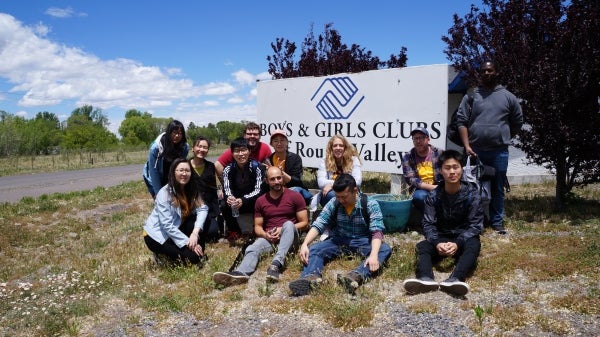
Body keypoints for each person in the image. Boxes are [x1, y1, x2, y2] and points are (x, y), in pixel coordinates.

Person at [288, 173, 392, 296]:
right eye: (338, 197)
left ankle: (355, 276)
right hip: (338, 240)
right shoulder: (334, 202)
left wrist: (374, 254)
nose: (341, 200)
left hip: (363, 241)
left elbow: (377, 231)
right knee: (315, 249)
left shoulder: (370, 204)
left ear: (354, 191)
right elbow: (320, 223)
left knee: (383, 249)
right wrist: (305, 243)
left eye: (344, 197)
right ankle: (311, 278)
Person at [402, 150, 483, 297]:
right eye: (447, 168)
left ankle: (456, 278)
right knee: (422, 246)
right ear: (440, 171)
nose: (452, 172)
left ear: (461, 169)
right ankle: (425, 278)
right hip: (441, 236)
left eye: (455, 167)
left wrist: (458, 242)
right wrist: (437, 242)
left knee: (474, 245)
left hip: (463, 238)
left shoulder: (472, 194)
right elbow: (428, 224)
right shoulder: (433, 196)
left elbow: (475, 225)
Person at [212, 166, 309, 286]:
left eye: (279, 178)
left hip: (289, 237)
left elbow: (304, 223)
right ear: (266, 181)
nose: (277, 181)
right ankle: (240, 273)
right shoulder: (261, 201)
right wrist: (265, 234)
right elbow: (257, 226)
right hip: (270, 238)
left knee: (288, 224)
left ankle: (276, 265)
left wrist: (282, 229)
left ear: (283, 178)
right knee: (252, 248)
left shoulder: (295, 196)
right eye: (272, 179)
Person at [456, 60, 523, 234]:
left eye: (490, 70)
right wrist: (467, 145)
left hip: (499, 152)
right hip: (475, 150)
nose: (487, 73)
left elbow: (517, 122)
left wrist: (503, 135)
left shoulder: (508, 97)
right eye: (484, 71)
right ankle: (475, 220)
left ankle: (497, 221)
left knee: (497, 187)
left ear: (497, 72)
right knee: (472, 187)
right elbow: (461, 121)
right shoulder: (472, 95)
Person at [143, 158, 209, 265]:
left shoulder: (191, 188)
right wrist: (188, 242)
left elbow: (203, 208)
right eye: (180, 170)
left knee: (200, 222)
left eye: (187, 171)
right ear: (174, 172)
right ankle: (160, 254)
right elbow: (167, 225)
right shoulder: (164, 193)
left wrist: (195, 233)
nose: (184, 173)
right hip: (157, 236)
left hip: (176, 228)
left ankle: (195, 248)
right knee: (194, 258)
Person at [221, 137, 266, 240]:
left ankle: (257, 229)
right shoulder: (228, 169)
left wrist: (244, 200)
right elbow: (227, 188)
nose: (240, 154)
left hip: (252, 201)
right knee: (224, 204)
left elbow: (259, 190)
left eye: (243, 150)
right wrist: (230, 197)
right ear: (232, 153)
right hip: (236, 202)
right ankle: (234, 230)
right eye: (237, 151)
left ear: (249, 151)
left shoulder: (257, 167)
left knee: (261, 201)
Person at [143, 120, 190, 199]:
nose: (177, 136)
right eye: (174, 132)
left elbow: (181, 166)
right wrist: (158, 193)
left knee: (176, 201)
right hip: (157, 177)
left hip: (172, 177)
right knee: (162, 202)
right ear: (169, 132)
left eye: (180, 133)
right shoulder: (156, 147)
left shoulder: (184, 147)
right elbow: (153, 172)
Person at [400, 127, 443, 213]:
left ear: (428, 139)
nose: (418, 141)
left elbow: (447, 171)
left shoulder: (439, 153)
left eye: (421, 138)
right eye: (415, 138)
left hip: (439, 186)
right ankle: (431, 218)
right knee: (420, 197)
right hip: (420, 189)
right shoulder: (408, 157)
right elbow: (411, 179)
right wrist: (432, 188)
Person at [265, 129, 313, 203]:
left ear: (287, 142)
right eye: (275, 141)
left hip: (295, 190)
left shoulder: (295, 158)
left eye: (282, 140)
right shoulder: (268, 161)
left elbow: (297, 182)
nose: (279, 143)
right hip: (276, 191)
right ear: (271, 144)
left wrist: (281, 173)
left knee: (295, 191)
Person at [316, 134, 362, 208]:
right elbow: (321, 182)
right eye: (335, 146)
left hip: (349, 193)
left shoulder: (353, 160)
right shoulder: (325, 160)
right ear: (331, 148)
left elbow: (357, 181)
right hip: (332, 194)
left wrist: (332, 185)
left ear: (345, 148)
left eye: (341, 145)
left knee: (342, 196)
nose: (338, 148)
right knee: (331, 195)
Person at [190, 136, 220, 240]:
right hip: (190, 209)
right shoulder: (185, 166)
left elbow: (213, 190)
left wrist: (216, 211)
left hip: (207, 209)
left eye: (205, 147)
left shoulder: (211, 166)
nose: (202, 150)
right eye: (199, 146)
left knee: (213, 232)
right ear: (193, 148)